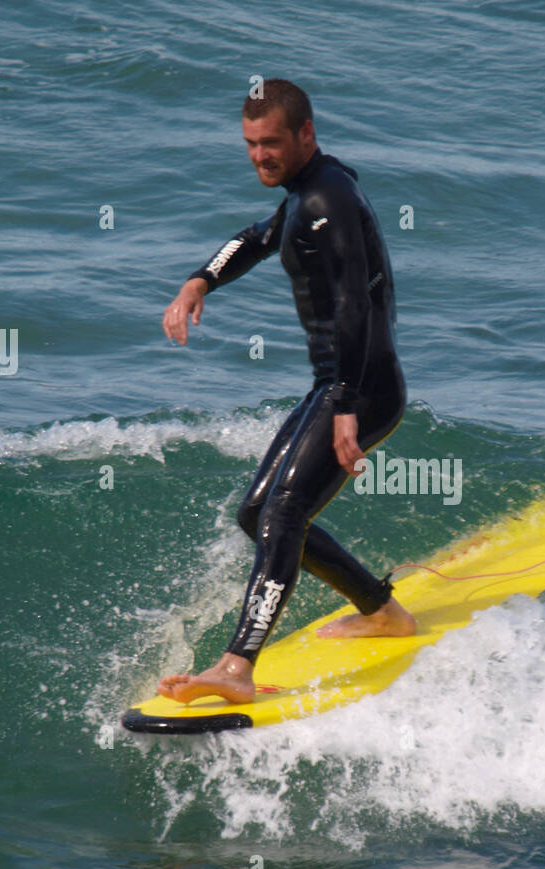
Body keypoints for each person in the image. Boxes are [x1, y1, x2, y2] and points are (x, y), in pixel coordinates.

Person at [158, 79, 414, 705]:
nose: (259, 156)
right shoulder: (306, 193)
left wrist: (348, 408)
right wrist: (200, 281)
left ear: (305, 134)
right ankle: (382, 611)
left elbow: (356, 302)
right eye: (250, 144)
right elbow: (260, 237)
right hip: (337, 384)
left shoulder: (329, 199)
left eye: (271, 142)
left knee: (283, 513)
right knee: (260, 516)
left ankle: (236, 668)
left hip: (362, 389)